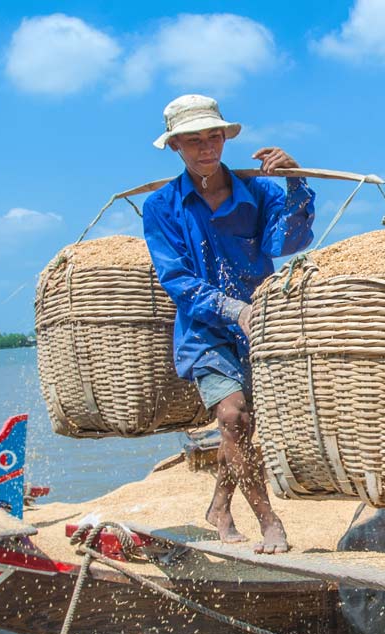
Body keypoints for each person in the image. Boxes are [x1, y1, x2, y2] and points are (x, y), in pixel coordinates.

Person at [143, 94, 315, 553]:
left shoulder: (256, 192)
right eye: (193, 141)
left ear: (225, 138)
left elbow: (288, 240)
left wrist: (295, 181)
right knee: (233, 414)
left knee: (240, 428)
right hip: (205, 329)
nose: (205, 148)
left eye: (213, 137)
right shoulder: (163, 207)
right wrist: (231, 309)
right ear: (176, 146)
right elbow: (177, 279)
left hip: (258, 329)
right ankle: (268, 519)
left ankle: (219, 506)